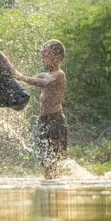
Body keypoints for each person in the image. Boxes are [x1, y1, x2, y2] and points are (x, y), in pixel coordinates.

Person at [16, 39, 67, 179]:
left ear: (57, 57)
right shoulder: (44, 74)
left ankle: (54, 184)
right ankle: (50, 181)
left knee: (53, 158)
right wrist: (14, 77)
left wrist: (21, 76)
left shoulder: (59, 74)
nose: (43, 57)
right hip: (44, 120)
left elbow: (43, 83)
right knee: (45, 158)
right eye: (42, 54)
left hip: (55, 120)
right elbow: (26, 82)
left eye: (46, 54)